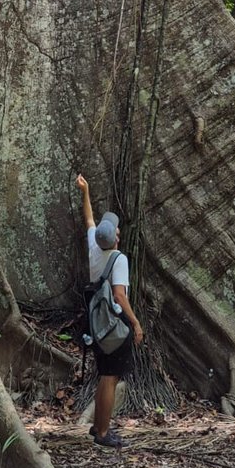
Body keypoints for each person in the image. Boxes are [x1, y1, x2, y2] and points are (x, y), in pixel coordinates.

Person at [77, 172, 143, 448]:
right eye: (116, 230)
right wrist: (135, 324)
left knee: (105, 374)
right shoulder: (119, 258)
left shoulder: (94, 247)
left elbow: (89, 219)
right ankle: (103, 432)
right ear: (116, 237)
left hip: (96, 325)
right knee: (110, 378)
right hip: (114, 326)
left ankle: (97, 426)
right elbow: (119, 294)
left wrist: (86, 192)